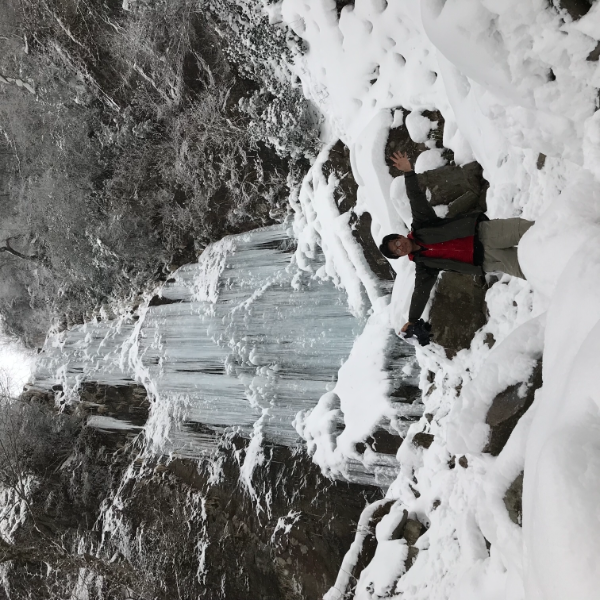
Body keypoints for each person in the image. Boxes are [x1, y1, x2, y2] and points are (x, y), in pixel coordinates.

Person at [381, 151, 533, 333]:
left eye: (396, 243)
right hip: (487, 259)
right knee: (529, 269)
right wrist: (413, 319)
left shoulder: (422, 225)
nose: (400, 247)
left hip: (485, 234)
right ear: (400, 256)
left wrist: (408, 172)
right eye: (396, 251)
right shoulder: (424, 266)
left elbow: (416, 198)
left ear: (399, 237)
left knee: (530, 231)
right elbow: (420, 293)